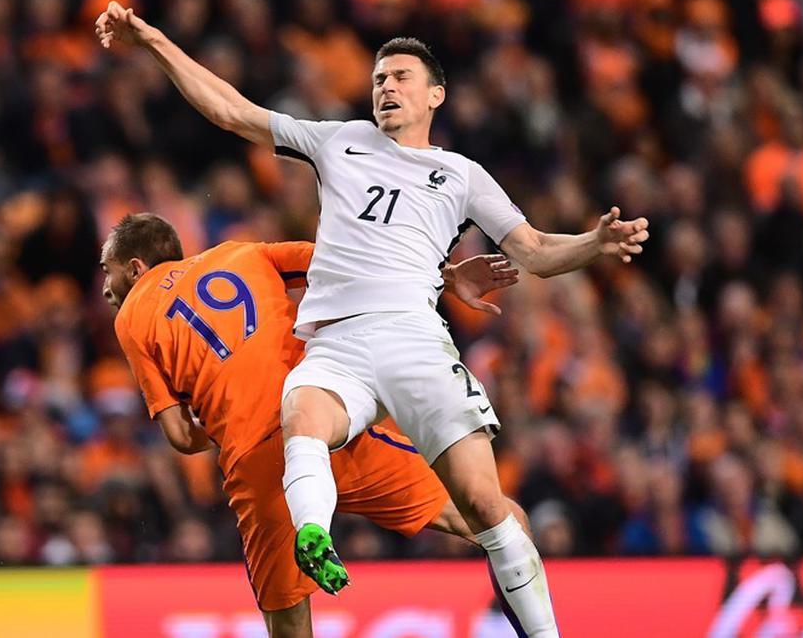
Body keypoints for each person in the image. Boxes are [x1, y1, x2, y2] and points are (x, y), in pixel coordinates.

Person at [96, 1, 650, 637]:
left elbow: (536, 253)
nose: (385, 85)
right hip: (336, 345)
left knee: (487, 508)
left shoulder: (462, 176)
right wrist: (155, 40)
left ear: (436, 93)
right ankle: (314, 533)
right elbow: (231, 110)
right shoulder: (341, 140)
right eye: (378, 77)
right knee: (301, 414)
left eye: (400, 76)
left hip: (414, 337)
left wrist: (593, 244)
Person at [102, 212, 518, 636]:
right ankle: (528, 619)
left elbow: (179, 436)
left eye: (107, 271)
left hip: (257, 461)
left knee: (287, 618)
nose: (104, 287)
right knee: (495, 517)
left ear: (135, 268)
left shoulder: (132, 315)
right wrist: (444, 276)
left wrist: (231, 411)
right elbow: (347, 264)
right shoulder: (242, 252)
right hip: (320, 420)